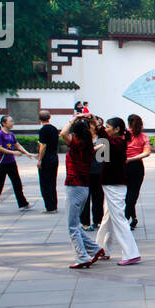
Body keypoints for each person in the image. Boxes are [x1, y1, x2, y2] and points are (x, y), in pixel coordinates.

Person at [95, 117, 141, 265]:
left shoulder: (118, 143)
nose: (106, 129)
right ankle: (101, 249)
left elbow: (104, 139)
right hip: (110, 183)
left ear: (116, 130)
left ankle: (131, 253)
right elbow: (101, 157)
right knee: (107, 218)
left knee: (119, 220)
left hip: (115, 185)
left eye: (108, 127)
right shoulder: (113, 142)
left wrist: (96, 126)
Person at [59, 114, 102, 268]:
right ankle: (95, 249)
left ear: (75, 134)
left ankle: (82, 257)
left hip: (74, 186)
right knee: (75, 223)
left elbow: (63, 134)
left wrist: (73, 119)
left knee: (72, 226)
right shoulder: (88, 145)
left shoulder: (77, 145)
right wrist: (87, 119)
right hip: (83, 187)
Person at [0, 115, 32, 212]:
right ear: (4, 123)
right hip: (1, 163)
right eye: (10, 121)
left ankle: (22, 204)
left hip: (11, 163)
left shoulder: (11, 134)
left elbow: (17, 145)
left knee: (17, 184)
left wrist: (27, 153)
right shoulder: (0, 134)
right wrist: (14, 152)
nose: (12, 123)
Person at [124, 114, 150, 230]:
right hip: (137, 166)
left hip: (123, 166)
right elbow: (147, 153)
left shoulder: (123, 135)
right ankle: (130, 218)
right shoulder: (144, 136)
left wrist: (127, 159)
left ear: (128, 123)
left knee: (127, 195)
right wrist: (134, 158)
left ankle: (127, 218)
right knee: (133, 194)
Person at [80, 114, 104, 230]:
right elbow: (82, 153)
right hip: (85, 171)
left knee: (98, 197)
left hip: (98, 171)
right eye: (94, 123)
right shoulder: (84, 138)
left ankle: (98, 220)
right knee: (85, 197)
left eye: (98, 123)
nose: (97, 125)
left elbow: (105, 157)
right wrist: (95, 149)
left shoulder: (102, 138)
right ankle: (85, 222)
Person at [35, 110, 60, 213]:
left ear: (39, 119)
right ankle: (54, 204)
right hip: (54, 156)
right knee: (52, 182)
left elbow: (43, 145)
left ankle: (50, 207)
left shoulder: (43, 130)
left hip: (47, 158)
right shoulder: (54, 129)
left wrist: (39, 159)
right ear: (50, 117)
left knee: (45, 183)